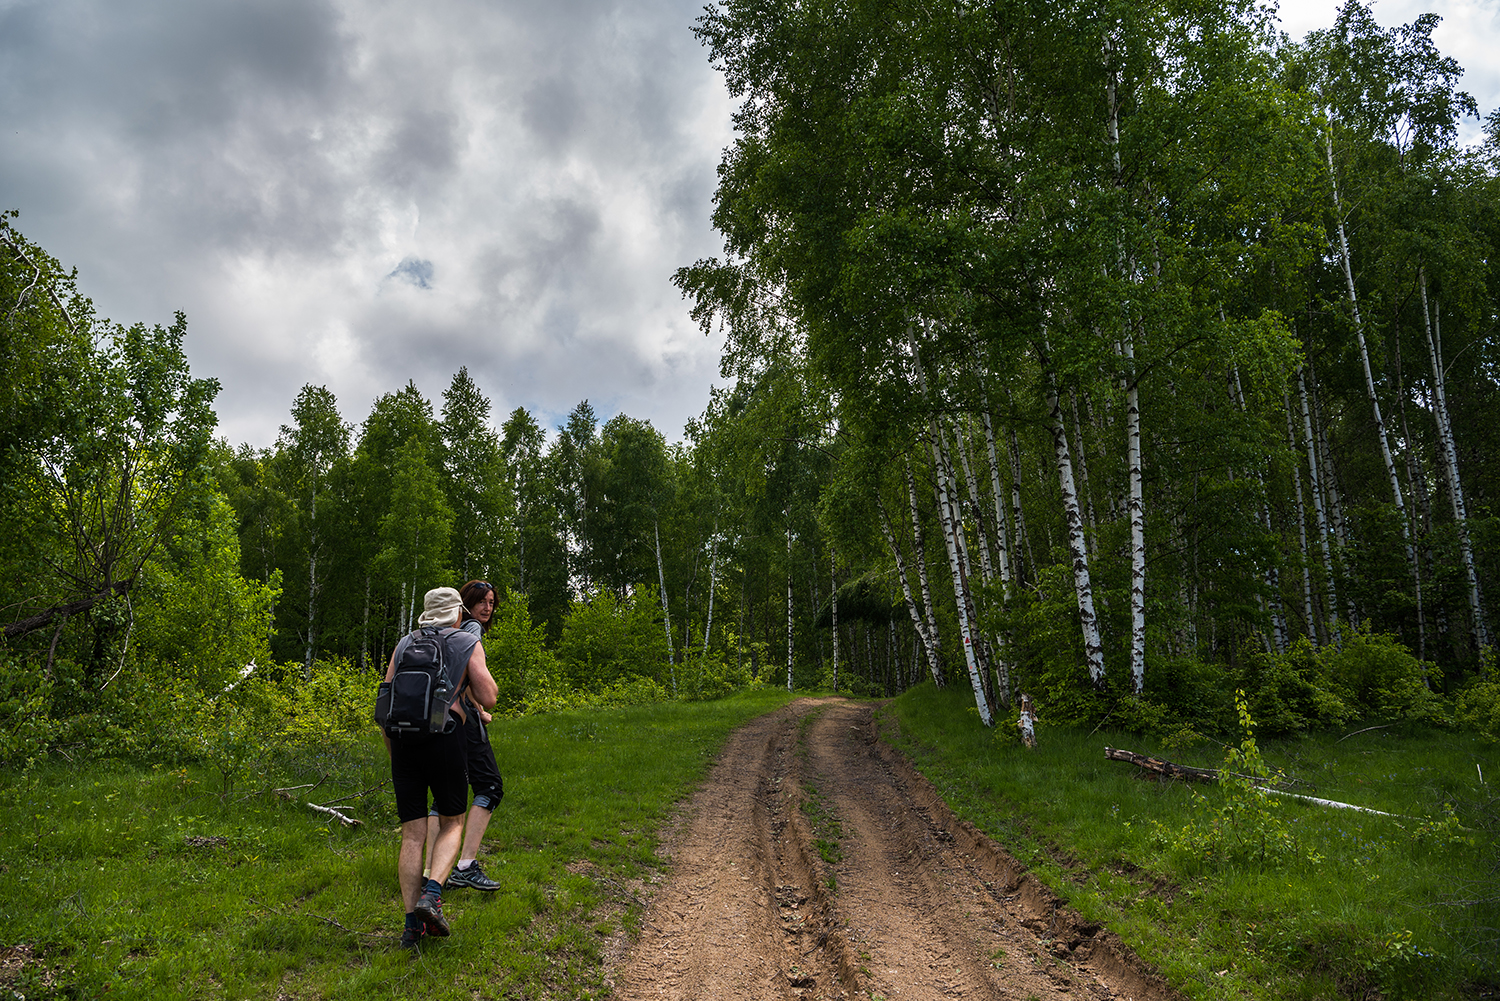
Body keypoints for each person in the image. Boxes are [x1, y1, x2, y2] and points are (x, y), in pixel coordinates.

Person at [384, 586, 498, 950]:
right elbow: (488, 696)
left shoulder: (404, 644)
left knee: (412, 835)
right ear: (458, 613)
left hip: (402, 742)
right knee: (452, 821)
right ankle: (431, 897)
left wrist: (394, 753)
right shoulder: (465, 641)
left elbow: (385, 699)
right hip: (444, 736)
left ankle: (408, 930)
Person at [426, 580, 506, 892]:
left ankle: (432, 869)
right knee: (489, 785)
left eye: (491, 602)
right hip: (463, 716)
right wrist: (478, 709)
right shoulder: (470, 630)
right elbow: (468, 673)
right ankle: (465, 864)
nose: (487, 608)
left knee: (444, 795)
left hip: (435, 713)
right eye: (482, 601)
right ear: (465, 606)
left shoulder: (430, 634)